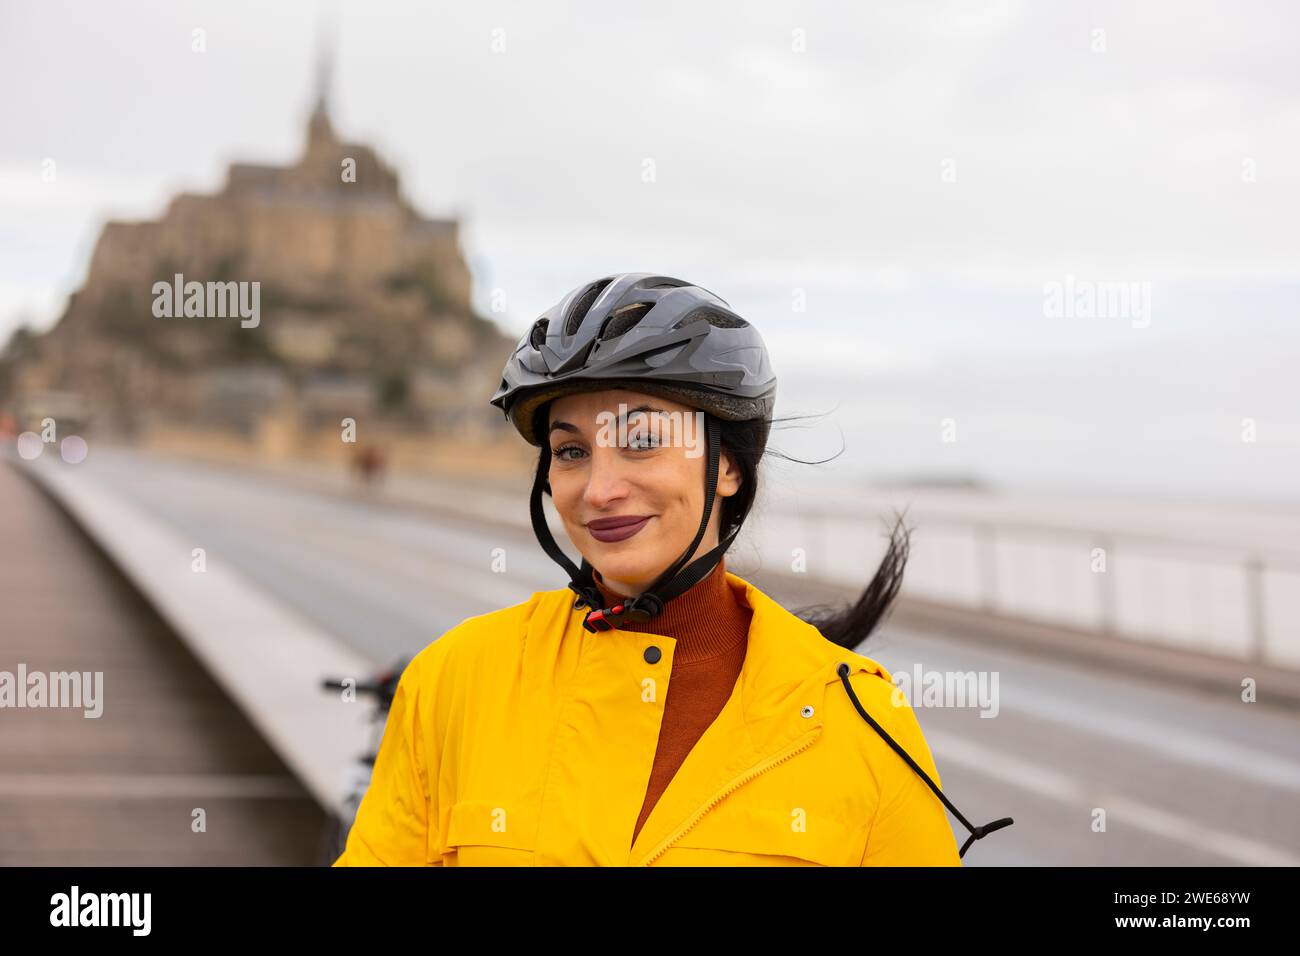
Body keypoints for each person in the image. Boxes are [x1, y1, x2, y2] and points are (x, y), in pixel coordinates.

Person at [333, 272, 1010, 866]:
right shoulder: (454, 681)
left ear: (727, 465)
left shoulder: (861, 718)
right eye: (571, 453)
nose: (599, 490)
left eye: (642, 441)